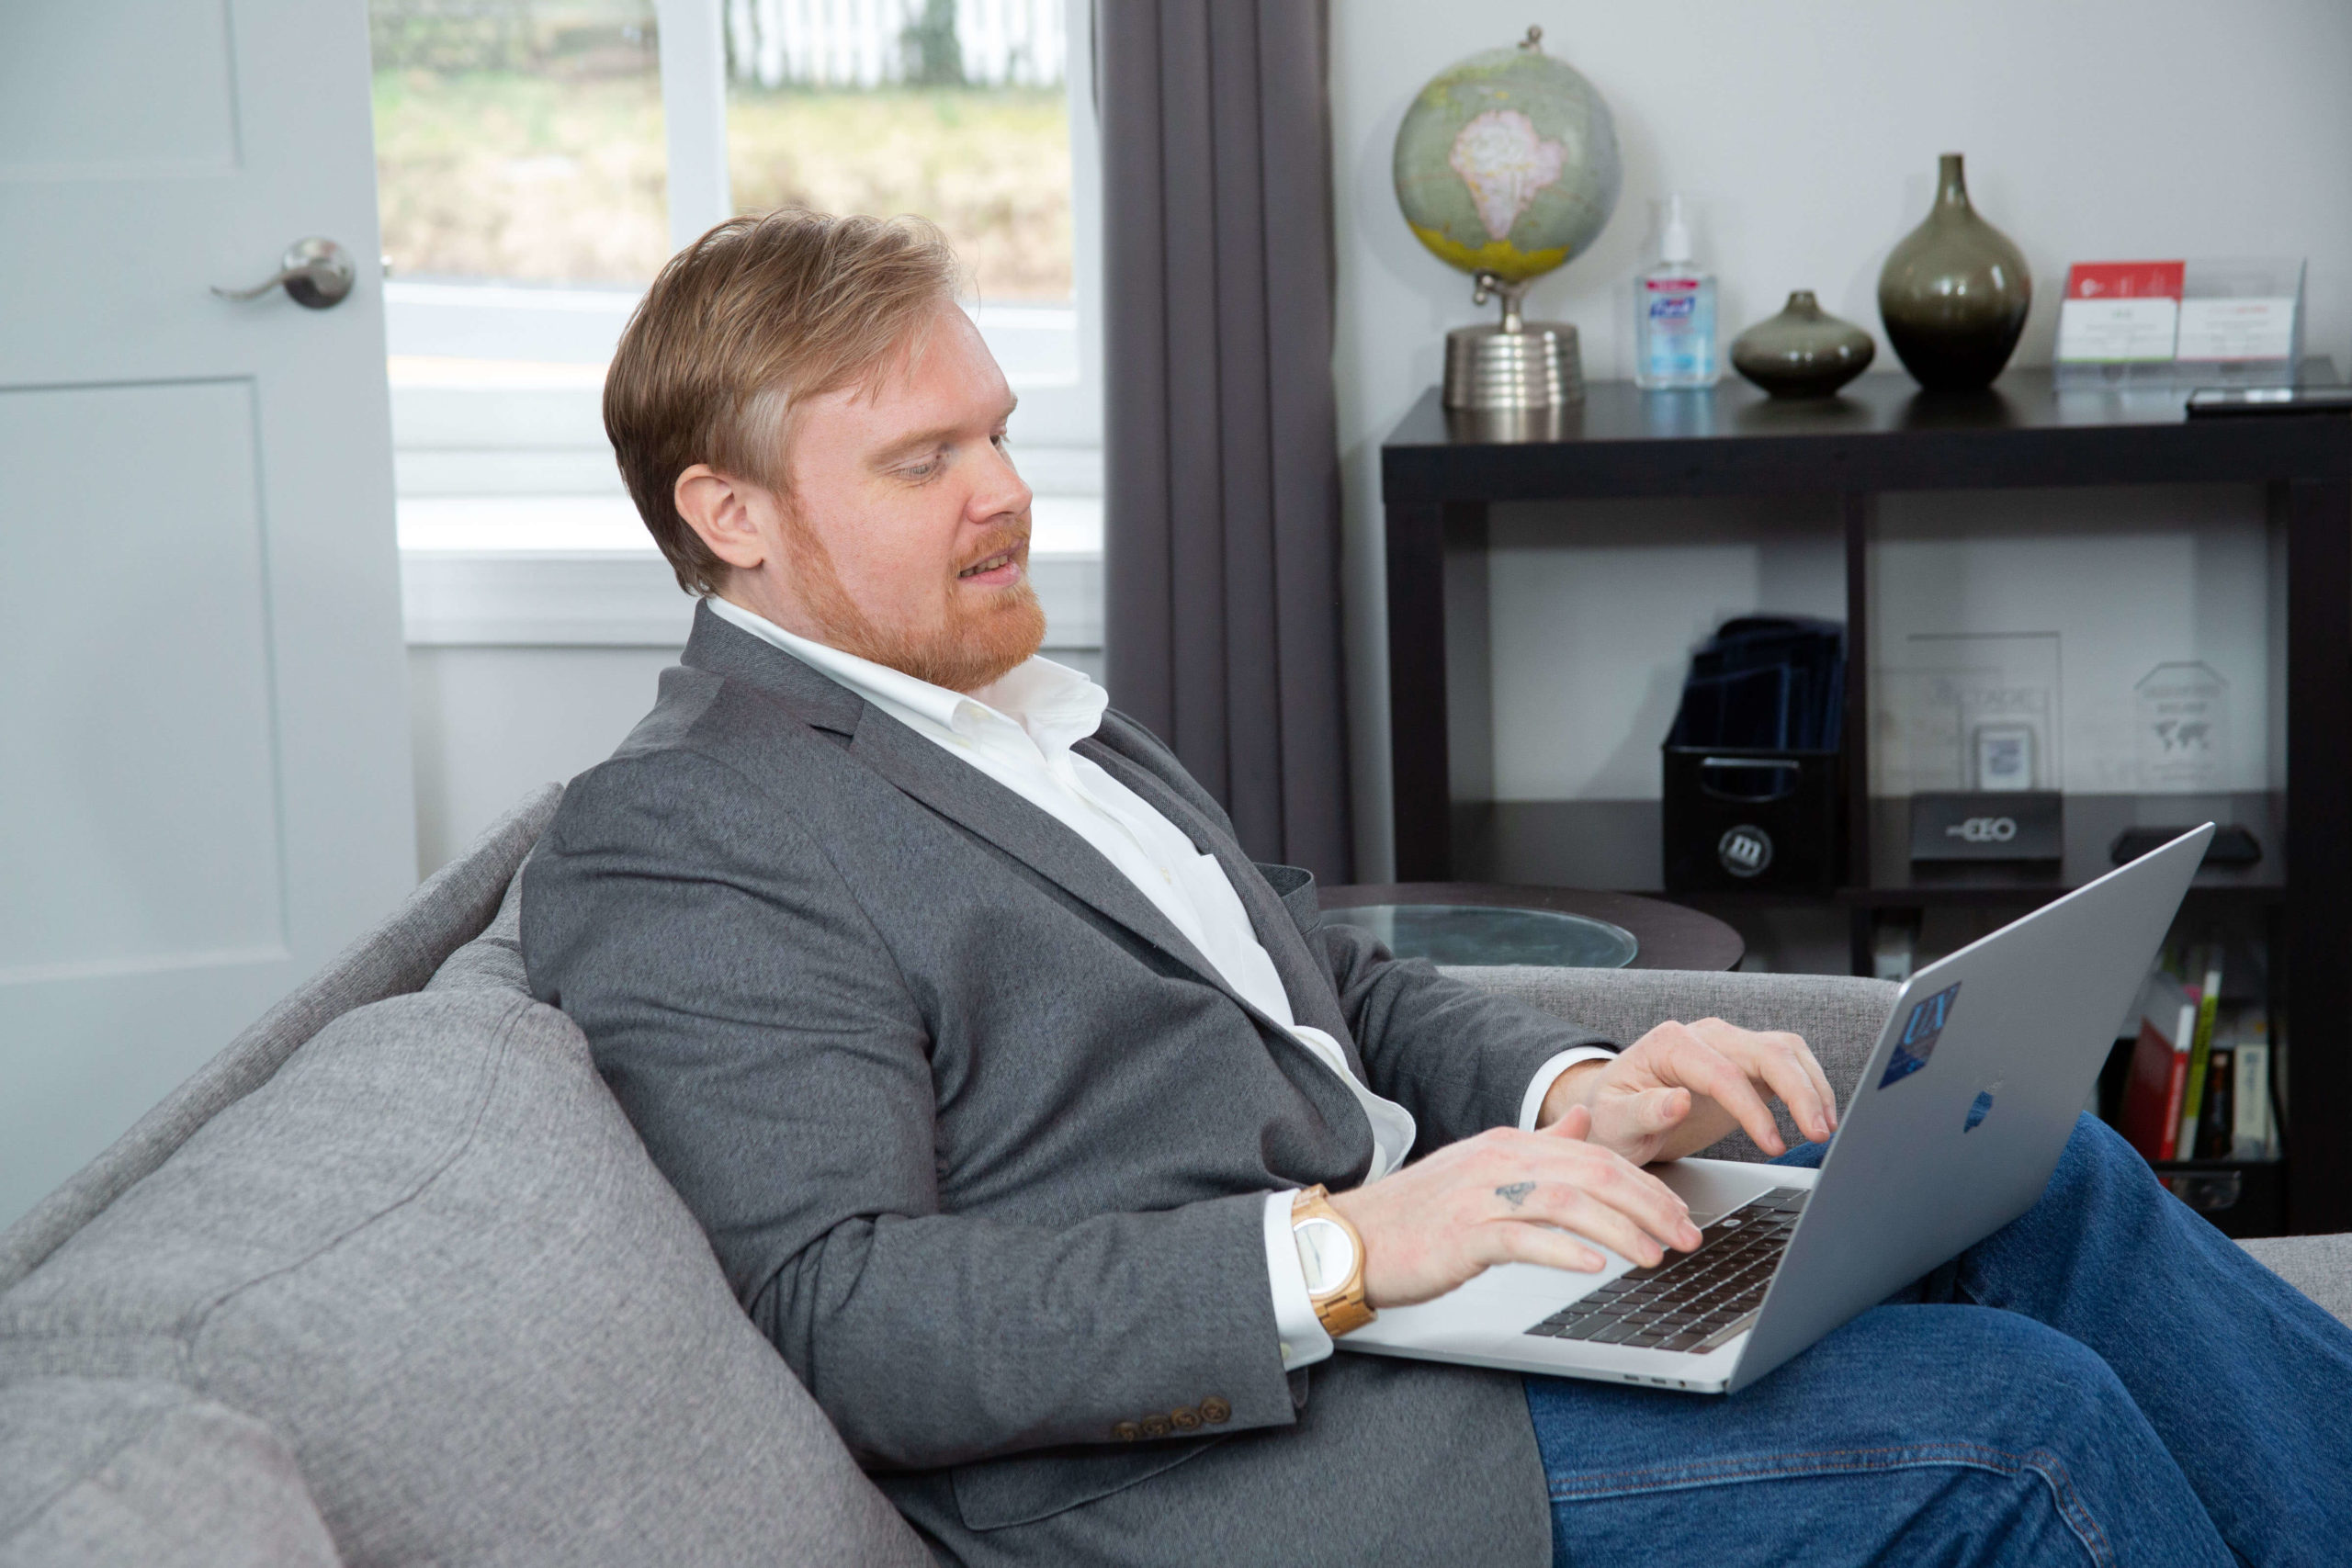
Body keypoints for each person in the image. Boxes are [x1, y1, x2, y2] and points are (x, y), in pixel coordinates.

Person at [521, 209, 2352, 1568]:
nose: (1003, 496)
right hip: (1248, 1455)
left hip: (1454, 1295)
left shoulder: (1012, 704)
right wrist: (1343, 1251)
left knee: (2044, 1172)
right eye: (924, 461)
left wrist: (1570, 1090)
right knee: (2010, 1431)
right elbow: (857, 1314)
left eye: (997, 431)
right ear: (730, 514)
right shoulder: (687, 832)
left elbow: (1318, 972)